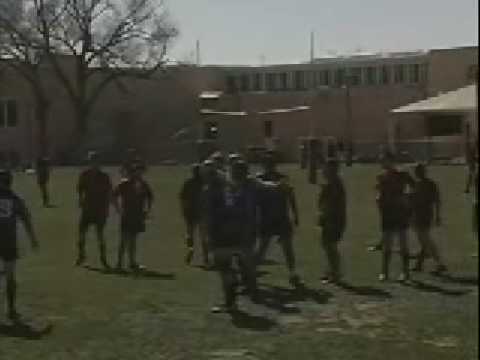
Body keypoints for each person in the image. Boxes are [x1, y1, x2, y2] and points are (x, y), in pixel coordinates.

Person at [207, 160, 258, 313]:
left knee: (224, 269)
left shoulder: (222, 189)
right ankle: (233, 299)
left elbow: (214, 214)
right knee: (229, 268)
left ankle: (231, 302)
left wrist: (210, 233)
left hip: (223, 234)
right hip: (237, 234)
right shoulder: (245, 189)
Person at [255, 154, 302, 287]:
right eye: (267, 163)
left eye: (271, 163)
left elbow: (291, 197)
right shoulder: (259, 180)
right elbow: (254, 201)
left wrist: (295, 214)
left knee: (287, 247)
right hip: (266, 219)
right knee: (262, 248)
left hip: (281, 218)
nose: (269, 166)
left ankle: (293, 273)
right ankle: (252, 272)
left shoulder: (283, 179)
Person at [0, 169, 39, 321]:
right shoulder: (16, 199)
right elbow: (26, 220)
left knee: (10, 277)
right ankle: (11, 309)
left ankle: (11, 309)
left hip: (7, 242)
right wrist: (33, 239)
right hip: (8, 242)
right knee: (10, 277)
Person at [376, 151, 415, 282]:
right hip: (387, 213)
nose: (381, 163)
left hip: (400, 212)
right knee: (387, 243)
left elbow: (414, 186)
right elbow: (380, 194)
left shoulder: (402, 175)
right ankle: (384, 272)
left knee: (403, 243)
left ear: (391, 161)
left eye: (384, 160)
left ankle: (405, 272)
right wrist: (379, 200)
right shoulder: (380, 177)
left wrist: (407, 198)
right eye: (381, 160)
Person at [113, 163, 154, 271]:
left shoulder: (143, 184)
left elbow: (150, 197)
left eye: (141, 171)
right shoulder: (124, 184)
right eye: (138, 171)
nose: (140, 173)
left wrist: (147, 210)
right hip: (127, 215)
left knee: (133, 240)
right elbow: (113, 195)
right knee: (124, 240)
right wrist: (118, 209)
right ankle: (119, 264)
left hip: (137, 216)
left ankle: (132, 262)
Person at [76, 152, 113, 268]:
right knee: (81, 234)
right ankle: (81, 256)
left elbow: (109, 194)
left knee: (100, 236)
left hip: (99, 210)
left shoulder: (104, 177)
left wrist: (107, 209)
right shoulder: (84, 175)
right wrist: (81, 199)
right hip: (87, 209)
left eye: (96, 161)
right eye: (92, 161)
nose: (94, 164)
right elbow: (80, 189)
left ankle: (103, 259)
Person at [410, 164, 447, 274]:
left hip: (425, 215)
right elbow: (413, 201)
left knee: (426, 240)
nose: (418, 174)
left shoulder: (429, 185)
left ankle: (439, 264)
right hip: (418, 215)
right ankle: (420, 265)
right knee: (424, 241)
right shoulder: (417, 184)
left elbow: (437, 200)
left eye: (419, 171)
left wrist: (438, 215)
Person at [318, 160, 347, 284]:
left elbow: (333, 204)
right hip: (329, 218)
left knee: (330, 246)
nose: (323, 171)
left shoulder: (335, 184)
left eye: (326, 169)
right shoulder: (331, 183)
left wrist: (328, 217)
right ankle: (331, 271)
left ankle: (335, 273)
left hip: (334, 219)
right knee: (327, 245)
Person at [180, 163, 207, 266]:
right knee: (203, 236)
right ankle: (205, 257)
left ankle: (190, 249)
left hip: (191, 213)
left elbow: (183, 199)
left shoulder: (188, 183)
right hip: (200, 212)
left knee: (190, 234)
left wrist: (184, 211)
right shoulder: (204, 183)